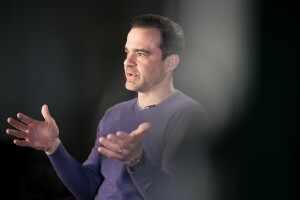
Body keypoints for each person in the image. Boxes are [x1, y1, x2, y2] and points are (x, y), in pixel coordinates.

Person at [6, 14, 208, 200]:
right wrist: (53, 148)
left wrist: (137, 160)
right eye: (127, 52)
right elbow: (88, 189)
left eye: (141, 54)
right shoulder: (114, 114)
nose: (128, 62)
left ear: (170, 62)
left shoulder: (189, 116)